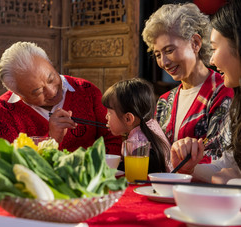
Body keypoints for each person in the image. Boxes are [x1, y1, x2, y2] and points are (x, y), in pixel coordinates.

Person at [0, 41, 122, 155]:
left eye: (51, 78)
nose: (52, 91)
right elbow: (12, 164)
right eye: (37, 92)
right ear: (19, 94)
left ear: (51, 64)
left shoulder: (87, 91)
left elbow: (113, 139)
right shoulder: (4, 110)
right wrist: (51, 139)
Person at [142, 3, 234, 163]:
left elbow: (219, 158)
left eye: (169, 50)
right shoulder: (164, 101)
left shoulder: (222, 90)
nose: (164, 62)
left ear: (195, 43)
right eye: (157, 54)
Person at [170, 0, 241, 183]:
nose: (211, 60)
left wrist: (233, 182)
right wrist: (190, 168)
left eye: (215, 48)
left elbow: (229, 175)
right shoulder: (237, 106)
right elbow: (225, 167)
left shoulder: (219, 92)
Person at [102, 78, 171, 172]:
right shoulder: (152, 124)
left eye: (109, 112)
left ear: (128, 118)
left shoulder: (137, 143)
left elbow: (133, 172)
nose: (106, 117)